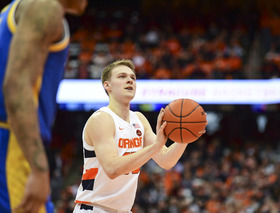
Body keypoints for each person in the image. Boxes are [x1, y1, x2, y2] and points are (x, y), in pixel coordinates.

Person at [73, 59, 207, 212]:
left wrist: (185, 137)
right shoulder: (101, 119)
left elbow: (166, 161)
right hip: (94, 208)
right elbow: (112, 169)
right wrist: (156, 145)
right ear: (107, 85)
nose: (129, 80)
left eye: (133, 77)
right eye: (122, 76)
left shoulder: (139, 120)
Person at [0, 0, 88, 212]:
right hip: (12, 144)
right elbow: (16, 86)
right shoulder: (45, 7)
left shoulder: (12, 10)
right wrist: (39, 170)